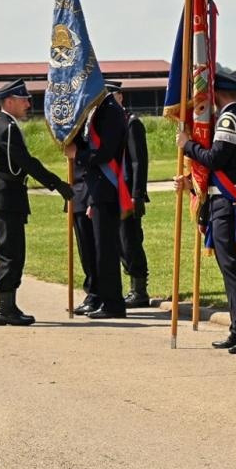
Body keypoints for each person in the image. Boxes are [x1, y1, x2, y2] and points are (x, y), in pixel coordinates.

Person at [182, 66, 236, 352]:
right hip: (230, 203)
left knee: (232, 269)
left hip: (228, 205)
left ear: (216, 93)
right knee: (235, 269)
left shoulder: (230, 118)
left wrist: (187, 146)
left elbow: (216, 158)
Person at [0, 80, 71, 326]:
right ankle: (4, 309)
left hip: (8, 195)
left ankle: (7, 307)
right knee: (10, 253)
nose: (28, 104)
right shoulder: (7, 127)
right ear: (9, 101)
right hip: (5, 196)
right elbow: (26, 162)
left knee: (14, 253)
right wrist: (57, 184)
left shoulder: (7, 125)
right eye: (24, 100)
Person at [66, 91, 130, 319]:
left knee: (106, 251)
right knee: (99, 251)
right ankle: (105, 298)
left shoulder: (111, 110)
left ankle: (113, 304)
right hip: (97, 189)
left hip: (106, 189)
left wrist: (79, 155)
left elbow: (105, 152)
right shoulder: (100, 109)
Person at [113, 83, 152, 309]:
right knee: (119, 241)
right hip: (114, 191)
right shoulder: (111, 123)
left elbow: (139, 162)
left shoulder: (131, 123)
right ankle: (130, 286)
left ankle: (139, 289)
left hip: (129, 192)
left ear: (120, 96)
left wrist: (137, 195)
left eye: (112, 96)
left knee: (130, 241)